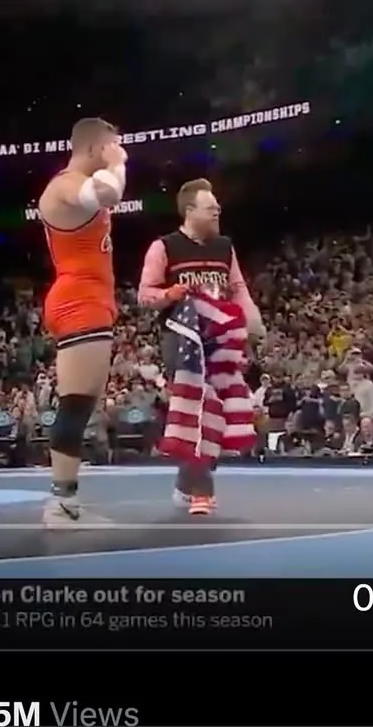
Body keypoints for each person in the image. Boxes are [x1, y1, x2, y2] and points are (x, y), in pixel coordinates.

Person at [138, 178, 264, 515]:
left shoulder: (224, 247)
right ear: (190, 211)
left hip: (221, 339)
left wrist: (254, 325)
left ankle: (186, 483)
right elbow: (144, 295)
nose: (217, 211)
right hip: (182, 339)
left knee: (218, 417)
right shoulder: (164, 247)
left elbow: (238, 287)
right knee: (198, 409)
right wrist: (169, 294)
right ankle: (202, 492)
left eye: (218, 207)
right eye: (211, 208)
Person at [35, 117, 129, 527]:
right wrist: (119, 163)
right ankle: (61, 503)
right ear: (93, 148)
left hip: (91, 300)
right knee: (74, 406)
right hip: (79, 300)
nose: (118, 152)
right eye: (112, 145)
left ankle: (67, 502)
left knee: (82, 405)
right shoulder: (65, 185)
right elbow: (107, 193)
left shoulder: (77, 183)